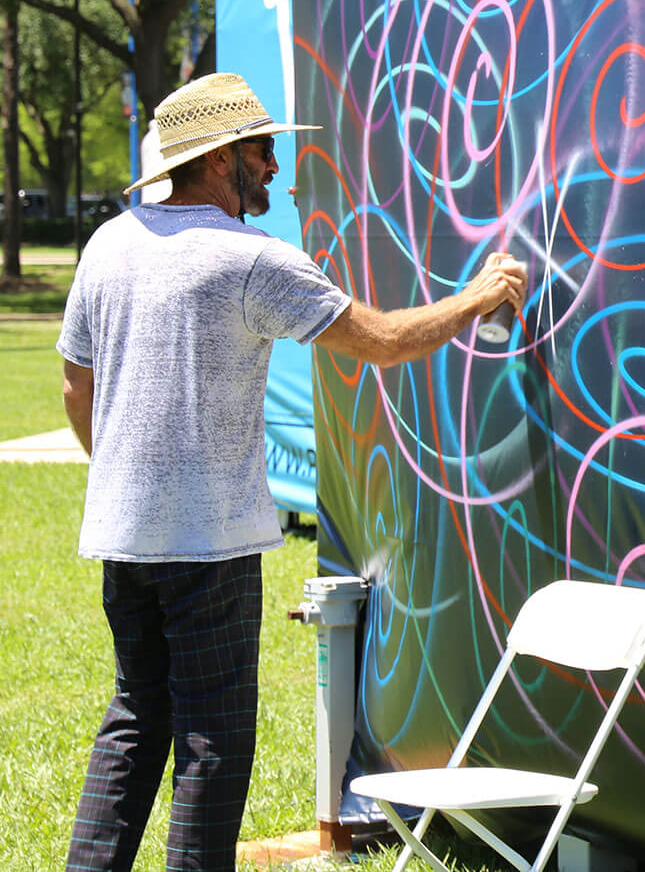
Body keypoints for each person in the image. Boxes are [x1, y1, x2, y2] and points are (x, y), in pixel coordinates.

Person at [57, 71, 527, 872]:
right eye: (262, 148)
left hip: (121, 535)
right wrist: (477, 297)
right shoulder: (251, 259)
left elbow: (75, 384)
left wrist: (130, 479)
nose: (275, 165)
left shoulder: (111, 241)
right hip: (208, 549)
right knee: (214, 740)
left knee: (136, 720)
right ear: (217, 158)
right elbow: (379, 340)